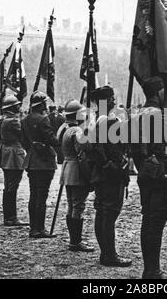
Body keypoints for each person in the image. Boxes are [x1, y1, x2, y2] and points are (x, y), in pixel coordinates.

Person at [132, 77, 167, 279]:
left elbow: (135, 148)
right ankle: (153, 270)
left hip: (145, 172)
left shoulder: (137, 115)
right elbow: (166, 147)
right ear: (159, 92)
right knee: (156, 222)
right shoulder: (160, 116)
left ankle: (149, 268)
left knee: (147, 219)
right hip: (161, 174)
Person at [90, 86, 132, 267]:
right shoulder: (107, 120)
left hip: (103, 173)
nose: (114, 101)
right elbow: (103, 149)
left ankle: (106, 253)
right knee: (109, 213)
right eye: (111, 98)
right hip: (111, 175)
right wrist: (110, 166)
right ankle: (109, 255)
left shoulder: (97, 120)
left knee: (103, 213)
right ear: (104, 101)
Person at [21, 91, 60, 238]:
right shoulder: (43, 119)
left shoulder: (25, 120)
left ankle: (33, 228)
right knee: (41, 197)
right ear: (42, 104)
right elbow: (51, 139)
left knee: (33, 195)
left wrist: (32, 149)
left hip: (32, 160)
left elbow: (23, 141)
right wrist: (60, 138)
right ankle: (40, 229)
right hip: (44, 161)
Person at [58, 99, 94, 252]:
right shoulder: (77, 131)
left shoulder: (65, 129)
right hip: (77, 170)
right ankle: (75, 241)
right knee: (78, 206)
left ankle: (74, 240)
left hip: (67, 168)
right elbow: (84, 151)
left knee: (72, 205)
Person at [0, 95, 29, 226]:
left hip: (5, 152)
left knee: (8, 186)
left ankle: (8, 216)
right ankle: (11, 217)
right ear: (13, 107)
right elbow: (24, 134)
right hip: (14, 153)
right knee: (12, 186)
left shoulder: (2, 120)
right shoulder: (13, 121)